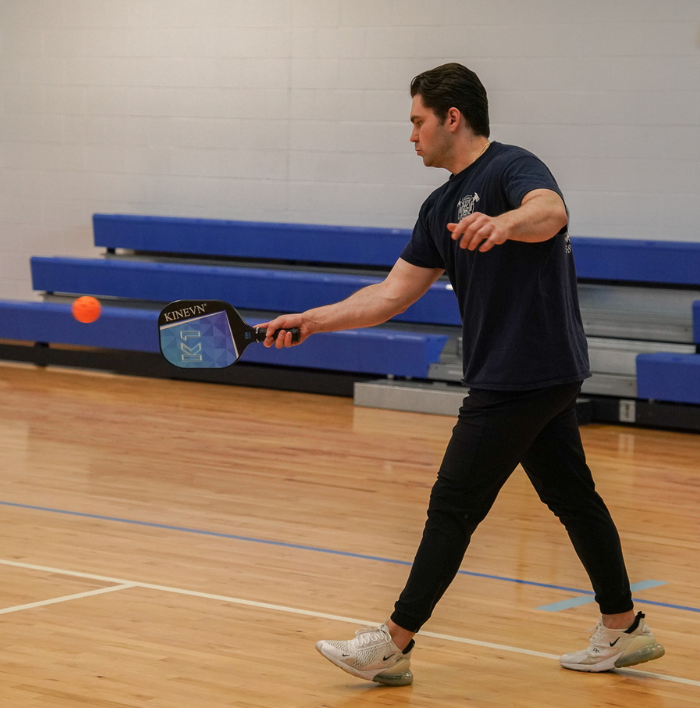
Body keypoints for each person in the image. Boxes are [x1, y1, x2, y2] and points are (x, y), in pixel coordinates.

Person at [258, 63, 664, 686]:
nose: (411, 135)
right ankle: (623, 626)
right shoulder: (439, 204)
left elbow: (550, 211)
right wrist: (314, 319)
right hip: (541, 373)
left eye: (417, 121)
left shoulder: (511, 168)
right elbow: (393, 294)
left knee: (453, 504)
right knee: (573, 499)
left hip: (520, 372)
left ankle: (392, 644)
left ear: (453, 118)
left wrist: (502, 224)